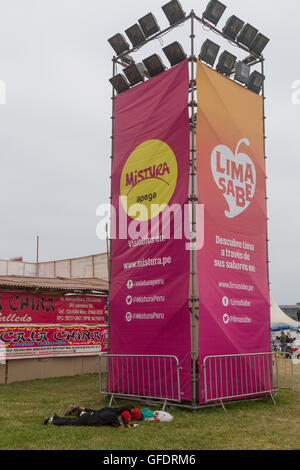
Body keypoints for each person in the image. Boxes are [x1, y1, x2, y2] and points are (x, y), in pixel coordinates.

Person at [44, 404, 142, 428]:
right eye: (122, 419)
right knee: (71, 422)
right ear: (120, 416)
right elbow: (120, 426)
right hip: (88, 419)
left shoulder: (111, 410)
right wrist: (132, 425)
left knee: (71, 421)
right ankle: (53, 420)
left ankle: (55, 418)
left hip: (90, 414)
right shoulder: (113, 418)